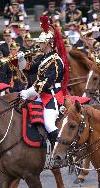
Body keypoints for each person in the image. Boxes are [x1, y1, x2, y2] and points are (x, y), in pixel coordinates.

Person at [18, 15, 69, 146]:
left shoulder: (56, 61)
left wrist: (28, 92)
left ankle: (62, 151)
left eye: (40, 42)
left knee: (49, 123)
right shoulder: (44, 57)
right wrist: (21, 60)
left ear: (47, 43)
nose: (38, 44)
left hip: (53, 95)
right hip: (41, 94)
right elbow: (30, 69)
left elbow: (46, 83)